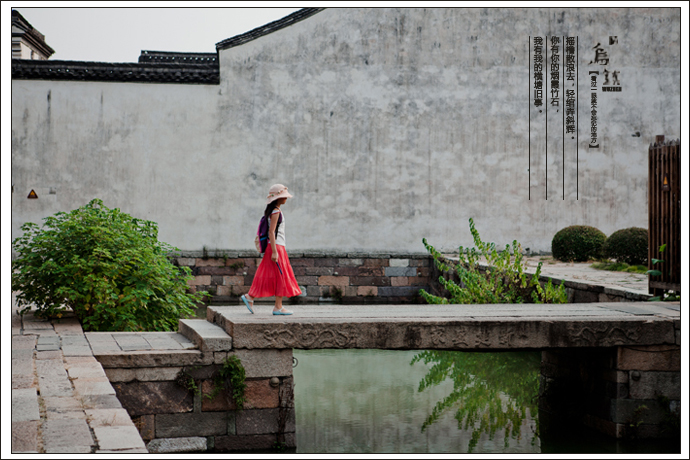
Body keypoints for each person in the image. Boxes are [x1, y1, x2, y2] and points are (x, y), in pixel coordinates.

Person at [241, 184, 301, 315]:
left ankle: (251, 297)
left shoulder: (273, 211)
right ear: (278, 198)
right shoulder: (276, 212)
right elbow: (271, 232)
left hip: (276, 247)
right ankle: (277, 306)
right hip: (276, 247)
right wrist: (274, 251)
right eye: (284, 196)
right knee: (281, 275)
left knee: (268, 273)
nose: (286, 198)